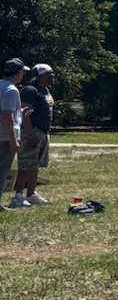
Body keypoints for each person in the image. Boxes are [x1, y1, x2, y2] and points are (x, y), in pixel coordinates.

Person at [15, 63, 55, 205]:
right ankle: (18, 196)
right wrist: (30, 134)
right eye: (50, 73)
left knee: (35, 164)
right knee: (25, 165)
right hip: (31, 132)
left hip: (43, 132)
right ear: (42, 75)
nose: (53, 75)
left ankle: (31, 194)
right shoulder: (30, 90)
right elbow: (23, 113)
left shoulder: (45, 90)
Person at [1, 59, 28, 211]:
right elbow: (6, 115)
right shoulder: (11, 89)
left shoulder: (1, 86)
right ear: (18, 73)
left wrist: (20, 113)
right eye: (23, 72)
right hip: (4, 137)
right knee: (2, 170)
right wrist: (13, 140)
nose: (23, 75)